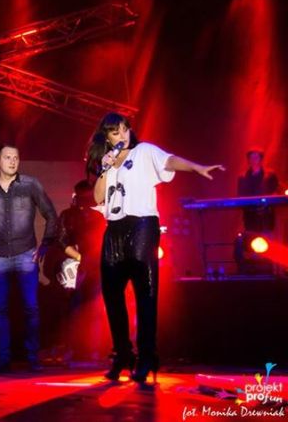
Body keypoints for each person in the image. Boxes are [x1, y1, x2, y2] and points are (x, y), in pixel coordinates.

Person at [86, 112, 224, 384]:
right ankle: (122, 354)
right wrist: (105, 168)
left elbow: (169, 161)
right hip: (114, 230)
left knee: (145, 295)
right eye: (115, 132)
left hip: (142, 227)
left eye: (125, 129)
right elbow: (99, 196)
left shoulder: (144, 152)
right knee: (112, 296)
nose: (122, 135)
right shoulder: (108, 162)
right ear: (107, 137)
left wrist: (196, 167)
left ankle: (147, 356)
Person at [0, 144, 58, 373]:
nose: (12, 161)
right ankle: (3, 359)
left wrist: (46, 244)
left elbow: (51, 214)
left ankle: (33, 358)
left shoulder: (30, 185)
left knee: (31, 308)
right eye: (7, 157)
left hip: (26, 254)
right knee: (0, 309)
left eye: (16, 158)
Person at [42, 179, 106, 365]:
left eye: (88, 197)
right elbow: (62, 241)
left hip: (95, 267)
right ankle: (71, 348)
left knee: (94, 309)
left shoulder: (97, 217)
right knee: (72, 308)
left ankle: (92, 350)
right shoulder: (68, 215)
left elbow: (102, 241)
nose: (84, 201)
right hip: (72, 267)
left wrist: (93, 260)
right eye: (81, 197)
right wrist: (79, 258)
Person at [237, 148, 279, 232]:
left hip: (266, 213)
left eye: (256, 157)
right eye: (251, 157)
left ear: (261, 159)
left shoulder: (270, 175)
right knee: (251, 236)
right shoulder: (242, 177)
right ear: (248, 159)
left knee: (267, 236)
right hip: (250, 213)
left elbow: (276, 191)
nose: (254, 159)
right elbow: (240, 195)